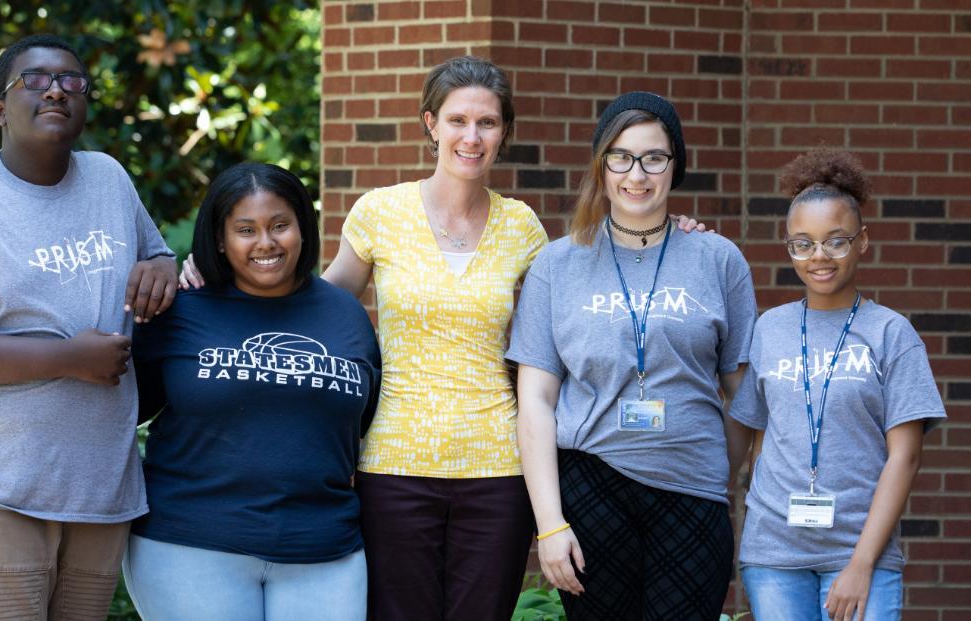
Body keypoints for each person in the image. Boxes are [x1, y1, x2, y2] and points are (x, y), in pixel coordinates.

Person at [179, 60, 703, 619]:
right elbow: (313, 305)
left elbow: (585, 291)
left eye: (487, 123)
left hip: (499, 471)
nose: (471, 137)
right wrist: (218, 272)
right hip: (393, 466)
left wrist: (671, 239)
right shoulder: (380, 213)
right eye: (457, 120)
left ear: (505, 132)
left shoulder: (522, 226)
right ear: (431, 124)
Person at [0, 34, 177, 618]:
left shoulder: (109, 180)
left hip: (95, 496)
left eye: (72, 80)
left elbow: (157, 255)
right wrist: (68, 358)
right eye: (36, 80)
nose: (56, 90)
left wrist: (160, 266)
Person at [508, 91, 758, 620]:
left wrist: (716, 471)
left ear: (675, 165)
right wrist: (550, 524)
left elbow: (741, 393)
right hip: (590, 483)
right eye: (620, 157)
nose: (636, 175)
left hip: (693, 492)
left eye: (654, 158)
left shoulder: (719, 259)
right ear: (601, 165)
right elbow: (535, 400)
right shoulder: (558, 264)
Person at [121, 163, 380, 620]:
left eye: (280, 225)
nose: (266, 242)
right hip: (189, 544)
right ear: (220, 239)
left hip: (324, 549)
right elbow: (128, 408)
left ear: (302, 228)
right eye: (246, 229)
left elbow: (358, 424)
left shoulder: (346, 316)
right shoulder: (179, 312)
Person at [729, 148, 944, 621]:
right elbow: (759, 438)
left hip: (858, 552)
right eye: (802, 243)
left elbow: (904, 456)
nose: (818, 256)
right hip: (774, 555)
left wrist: (861, 564)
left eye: (836, 241)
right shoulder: (770, 329)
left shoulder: (891, 334)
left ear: (862, 242)